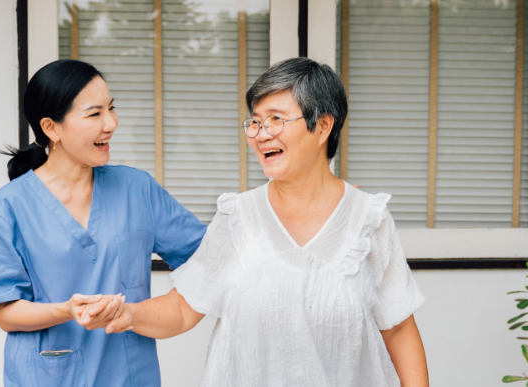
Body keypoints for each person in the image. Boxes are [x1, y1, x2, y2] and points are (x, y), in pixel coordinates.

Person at [106, 57, 429, 387]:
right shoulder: (237, 218)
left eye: (276, 120)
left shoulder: (367, 219)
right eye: (255, 122)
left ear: (323, 126)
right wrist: (127, 314)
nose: (261, 135)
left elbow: (399, 327)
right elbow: (183, 308)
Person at [0, 59, 206, 387]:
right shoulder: (9, 206)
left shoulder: (136, 189)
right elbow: (7, 314)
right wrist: (67, 310)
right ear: (51, 128)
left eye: (111, 109)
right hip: (47, 377)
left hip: (130, 375)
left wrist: (163, 313)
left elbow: (208, 257)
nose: (111, 123)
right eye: (94, 113)